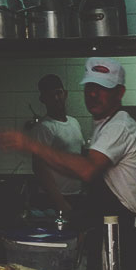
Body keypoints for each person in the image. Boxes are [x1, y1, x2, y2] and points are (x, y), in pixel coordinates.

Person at [0, 58, 136, 270]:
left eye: (103, 88)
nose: (94, 94)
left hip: (121, 232)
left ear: (120, 93)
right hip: (108, 226)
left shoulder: (119, 125)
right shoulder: (104, 126)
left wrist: (31, 144)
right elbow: (73, 167)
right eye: (90, 87)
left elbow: (86, 169)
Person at [30, 74, 85, 215]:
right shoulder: (44, 127)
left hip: (76, 195)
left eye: (58, 93)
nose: (56, 98)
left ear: (65, 94)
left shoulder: (74, 122)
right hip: (54, 200)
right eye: (50, 95)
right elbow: (39, 167)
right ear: (43, 99)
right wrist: (60, 202)